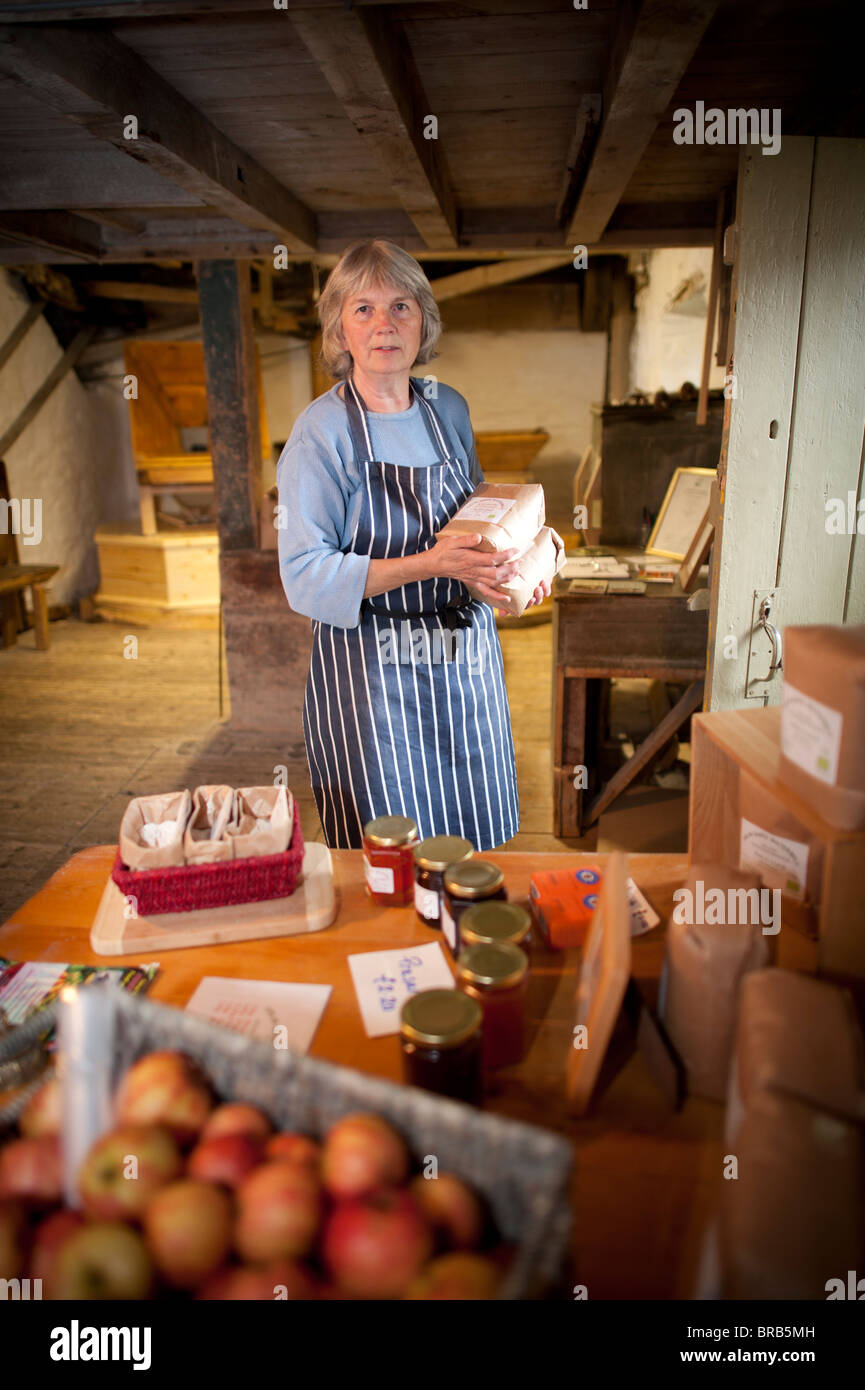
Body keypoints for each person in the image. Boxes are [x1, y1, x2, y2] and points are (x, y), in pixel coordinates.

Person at [276, 239, 550, 850]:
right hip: (373, 673)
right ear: (339, 330)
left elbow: (480, 513)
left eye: (402, 306)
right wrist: (431, 564)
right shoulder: (321, 434)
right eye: (363, 309)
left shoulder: (447, 407)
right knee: (389, 849)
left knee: (469, 837)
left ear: (423, 319)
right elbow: (304, 575)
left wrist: (515, 565)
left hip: (462, 659)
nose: (384, 325)